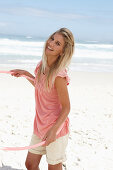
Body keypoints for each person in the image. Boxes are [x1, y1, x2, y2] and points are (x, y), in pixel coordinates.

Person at [11, 28, 75, 170]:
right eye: (52, 39)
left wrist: (54, 130)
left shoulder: (59, 75)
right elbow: (41, 86)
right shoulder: (42, 65)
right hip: (40, 125)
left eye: (58, 43)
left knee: (53, 167)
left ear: (63, 51)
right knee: (30, 164)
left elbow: (66, 107)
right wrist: (26, 74)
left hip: (55, 129)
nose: (51, 43)